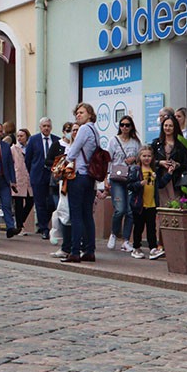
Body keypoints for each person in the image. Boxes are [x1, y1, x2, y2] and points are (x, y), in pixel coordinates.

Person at [61, 103, 100, 263]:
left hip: (79, 175)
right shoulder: (95, 131)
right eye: (77, 112)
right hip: (90, 177)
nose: (78, 115)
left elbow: (73, 151)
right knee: (87, 215)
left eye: (82, 112)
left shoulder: (84, 129)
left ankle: (75, 251)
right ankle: (90, 250)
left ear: (90, 114)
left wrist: (64, 161)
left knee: (76, 214)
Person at [107, 115, 141, 252]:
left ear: (131, 126)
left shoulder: (135, 142)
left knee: (130, 211)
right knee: (119, 209)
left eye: (127, 125)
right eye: (122, 125)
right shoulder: (114, 141)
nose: (125, 127)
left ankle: (126, 240)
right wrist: (105, 178)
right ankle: (114, 234)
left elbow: (141, 158)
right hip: (116, 179)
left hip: (131, 178)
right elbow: (108, 159)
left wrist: (134, 159)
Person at [129, 146, 167, 259]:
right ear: (139, 157)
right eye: (144, 156)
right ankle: (136, 247)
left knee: (151, 227)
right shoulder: (136, 170)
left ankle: (153, 248)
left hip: (151, 204)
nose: (146, 158)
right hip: (139, 204)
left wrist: (169, 174)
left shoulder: (153, 170)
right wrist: (139, 184)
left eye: (149, 156)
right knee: (139, 227)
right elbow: (129, 185)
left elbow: (160, 184)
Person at [24, 118, 58, 239]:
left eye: (48, 126)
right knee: (40, 203)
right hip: (38, 175)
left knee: (52, 202)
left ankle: (44, 222)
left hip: (52, 176)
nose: (46, 128)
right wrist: (32, 172)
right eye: (44, 126)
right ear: (40, 127)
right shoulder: (33, 140)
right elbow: (28, 159)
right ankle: (44, 228)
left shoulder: (56, 140)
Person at [153, 115, 187, 199]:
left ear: (175, 127)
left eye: (170, 126)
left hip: (176, 178)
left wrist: (177, 165)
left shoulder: (181, 144)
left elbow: (186, 163)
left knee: (176, 200)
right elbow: (149, 160)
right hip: (161, 177)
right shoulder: (156, 143)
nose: (167, 128)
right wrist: (160, 162)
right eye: (165, 125)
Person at [11, 128, 33, 233]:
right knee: (18, 203)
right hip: (18, 178)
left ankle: (21, 221)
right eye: (18, 136)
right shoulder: (13, 149)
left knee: (30, 201)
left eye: (22, 136)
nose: (19, 138)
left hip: (29, 178)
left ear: (27, 137)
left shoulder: (30, 148)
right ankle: (19, 226)